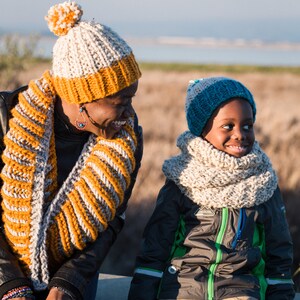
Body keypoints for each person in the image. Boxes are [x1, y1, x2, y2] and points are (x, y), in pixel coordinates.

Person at [0, 1, 143, 300]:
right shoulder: (5, 119)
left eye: (131, 99)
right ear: (81, 99)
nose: (129, 114)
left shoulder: (126, 140)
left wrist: (69, 280)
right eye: (120, 103)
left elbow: (111, 221)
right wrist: (11, 285)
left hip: (72, 280)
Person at [128, 77, 294, 300]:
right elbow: (155, 247)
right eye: (228, 126)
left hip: (240, 289)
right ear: (202, 129)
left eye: (248, 125)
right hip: (182, 288)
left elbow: (279, 250)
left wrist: (281, 292)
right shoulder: (183, 180)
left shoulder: (262, 184)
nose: (240, 134)